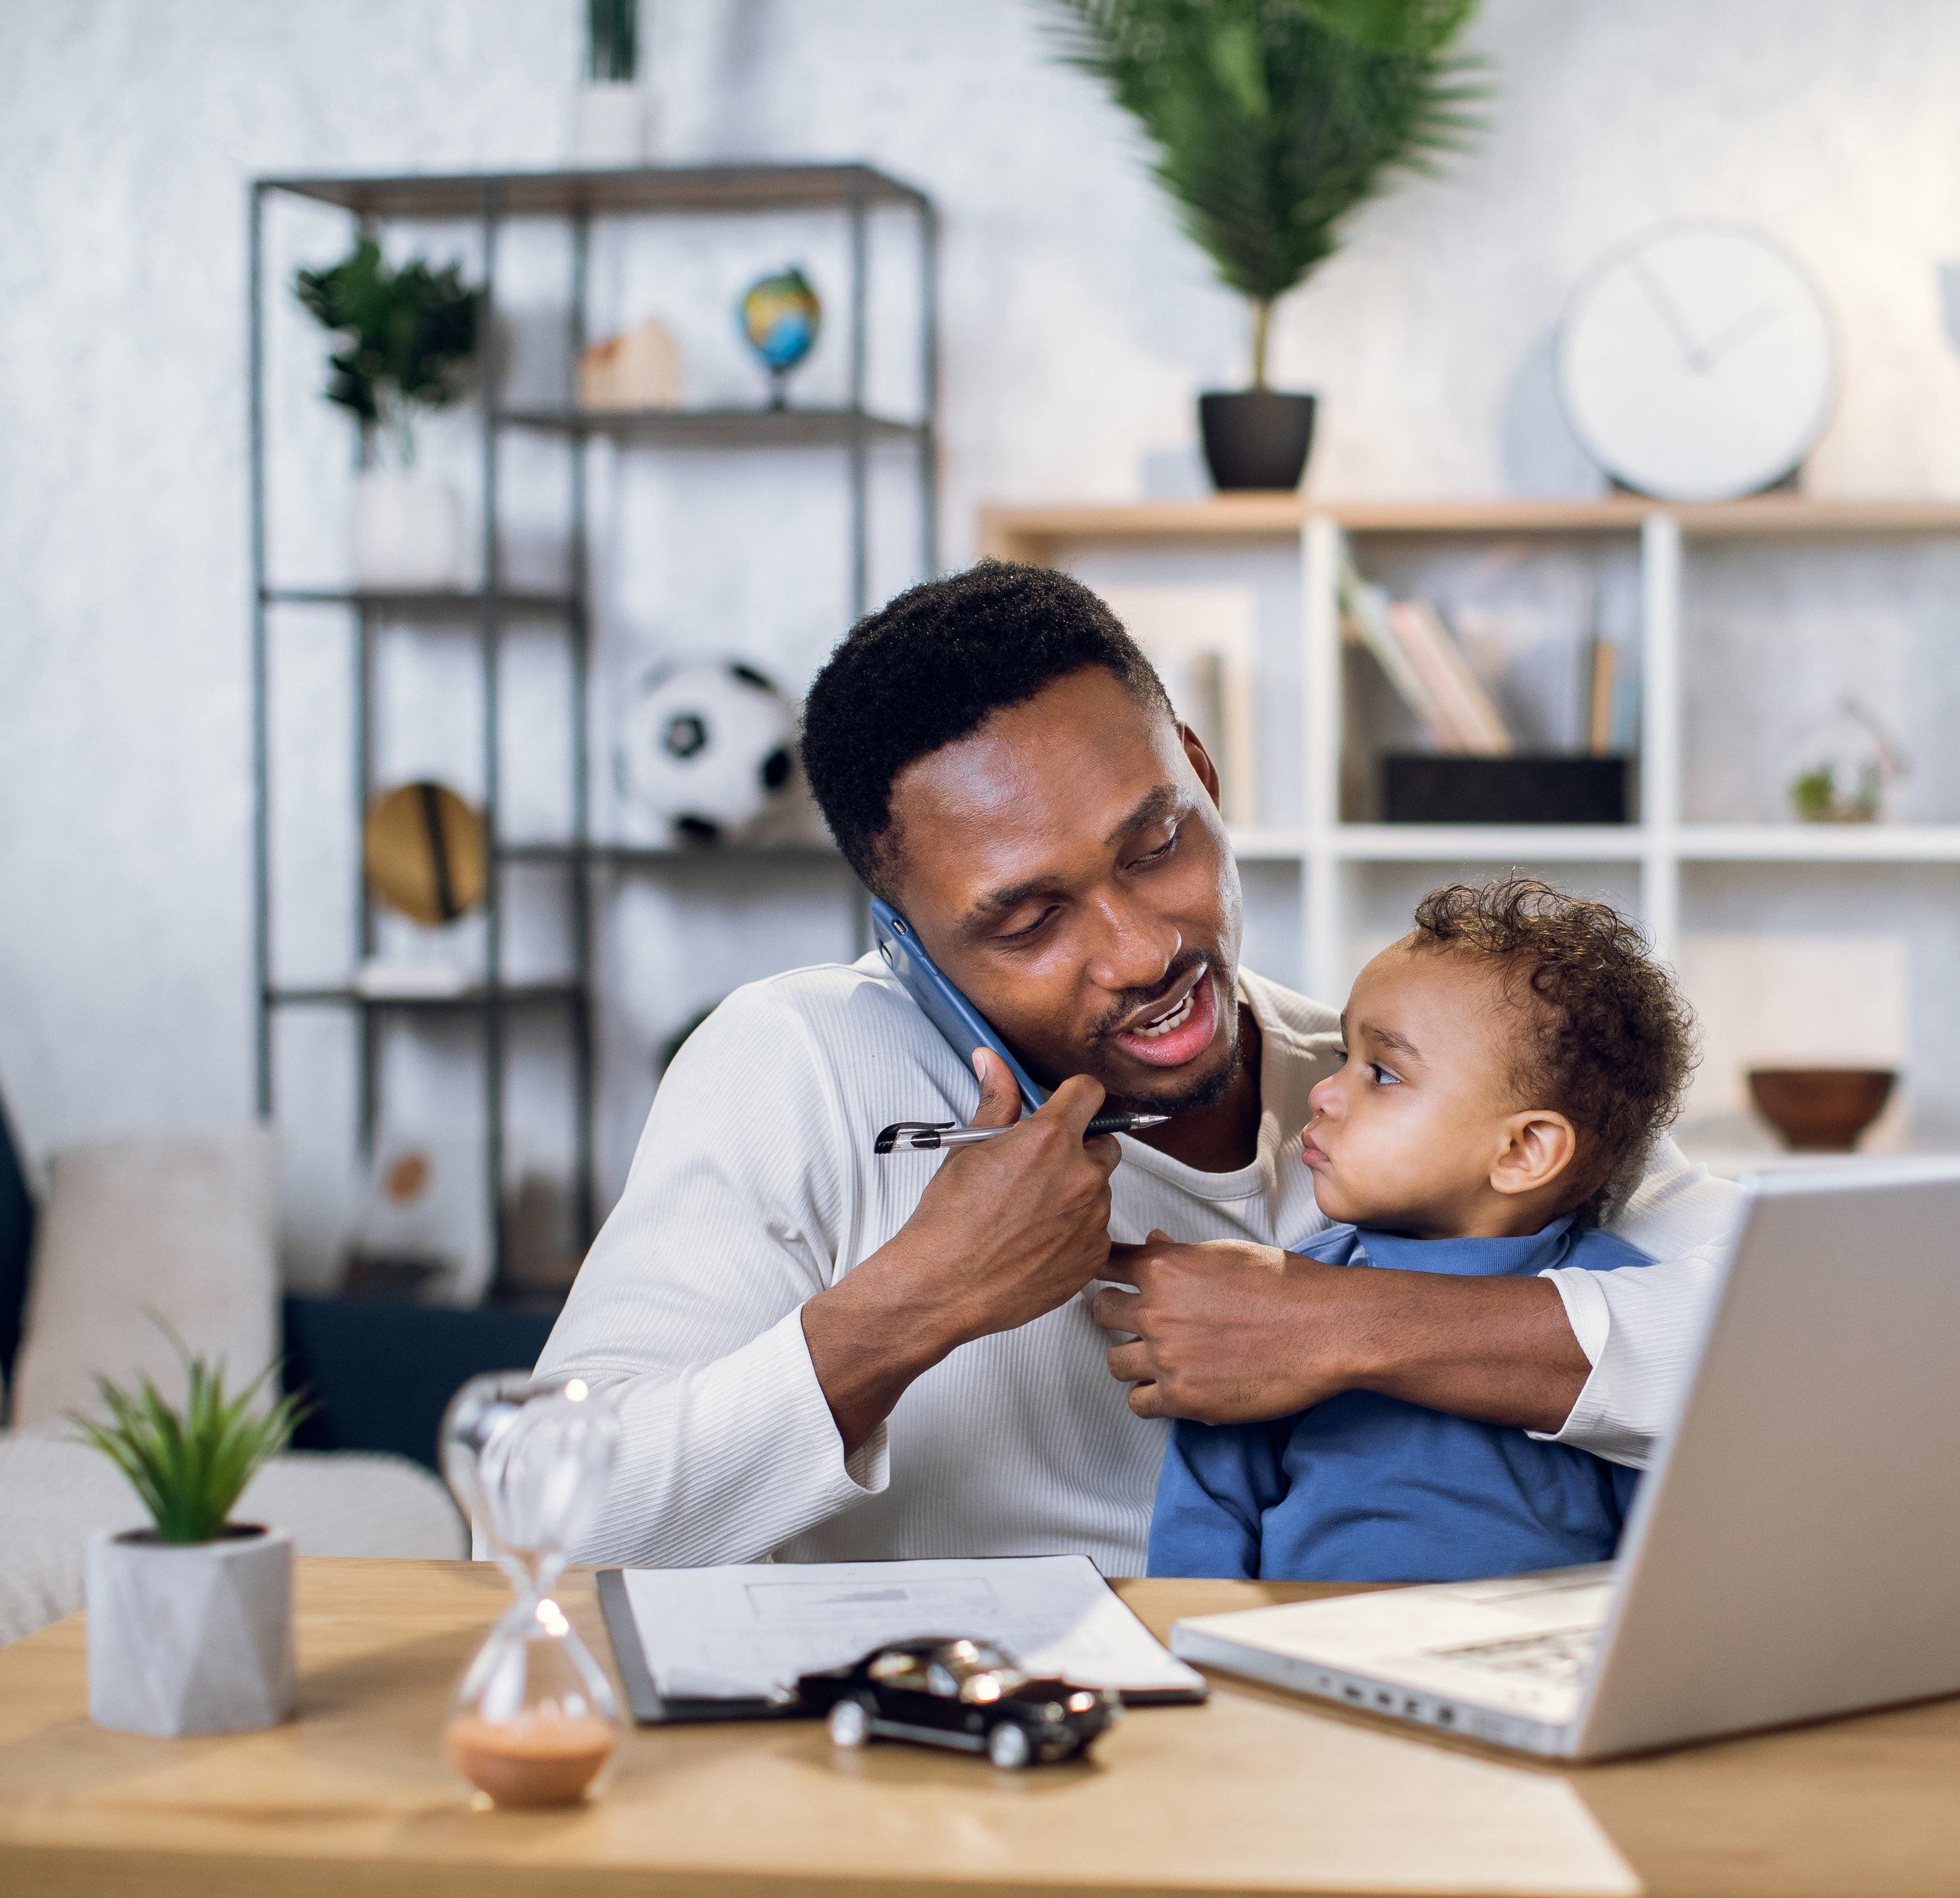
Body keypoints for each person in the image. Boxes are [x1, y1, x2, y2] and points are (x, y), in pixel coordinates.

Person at [538, 561, 1739, 1578]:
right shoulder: (796, 1063)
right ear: (903, 942)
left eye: (1156, 844)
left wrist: (1341, 1323)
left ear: (1204, 777)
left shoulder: (1423, 1082)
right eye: (1027, 922)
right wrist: (919, 1301)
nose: (1144, 950)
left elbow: (1786, 1346)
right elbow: (552, 1515)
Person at [1150, 877, 1694, 1582]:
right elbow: (1202, 1524)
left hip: (1525, 1674)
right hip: (1305, 1656)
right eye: (1344, 1056)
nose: (1324, 1091)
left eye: (1382, 1073)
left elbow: (1670, 1548)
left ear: (1524, 1150)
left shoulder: (1623, 1303)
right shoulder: (1273, 1301)